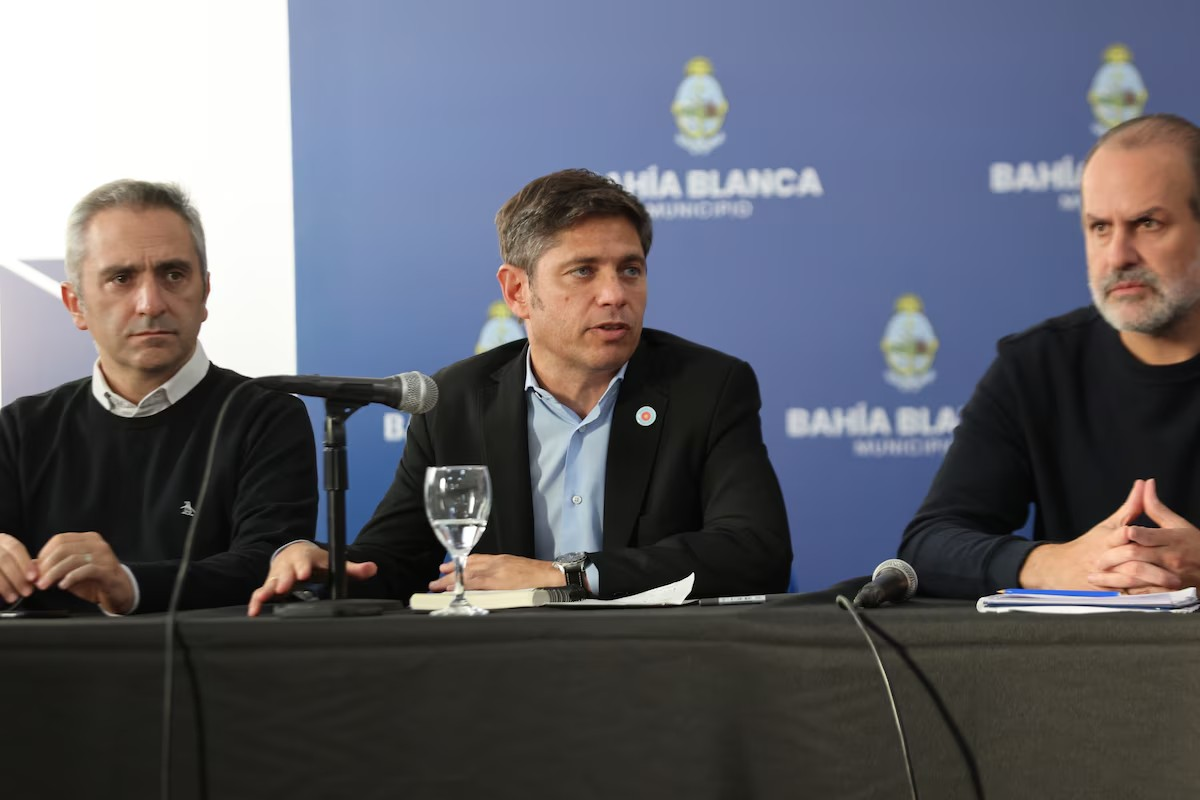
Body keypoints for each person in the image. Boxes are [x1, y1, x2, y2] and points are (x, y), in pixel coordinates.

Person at [249, 168, 790, 614]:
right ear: (517, 291)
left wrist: (568, 575)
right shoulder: (454, 399)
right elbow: (395, 557)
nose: (614, 294)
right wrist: (327, 563)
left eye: (630, 270)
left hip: (660, 665)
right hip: (505, 672)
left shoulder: (707, 387)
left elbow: (754, 551)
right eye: (583, 272)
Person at [901, 113, 1200, 598]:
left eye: (1148, 223)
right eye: (1099, 227)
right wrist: (1057, 563)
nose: (1118, 255)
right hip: (1076, 649)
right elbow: (928, 546)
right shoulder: (1036, 366)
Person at [0, 179, 317, 615]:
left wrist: (129, 586)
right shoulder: (19, 429)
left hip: (210, 660)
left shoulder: (266, 416)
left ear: (204, 293)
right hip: (48, 660)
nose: (150, 303)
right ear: (75, 304)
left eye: (173, 275)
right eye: (121, 278)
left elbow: (269, 566)